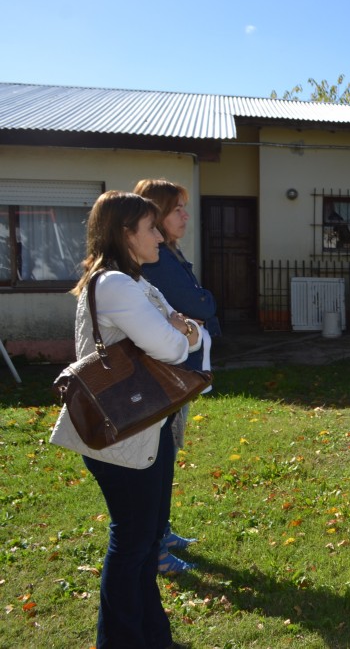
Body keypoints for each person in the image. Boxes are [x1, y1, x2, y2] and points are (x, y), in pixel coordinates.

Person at [49, 191, 201, 648]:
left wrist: (183, 329)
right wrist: (181, 331)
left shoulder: (134, 281)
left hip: (142, 430)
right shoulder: (115, 284)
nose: (159, 235)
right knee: (133, 545)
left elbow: (189, 330)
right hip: (121, 437)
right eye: (150, 228)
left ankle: (151, 636)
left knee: (142, 544)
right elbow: (176, 346)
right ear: (124, 233)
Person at [134, 178, 221, 574]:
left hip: (175, 367)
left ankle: (161, 531)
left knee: (167, 451)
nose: (186, 216)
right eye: (177, 210)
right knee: (159, 453)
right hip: (166, 371)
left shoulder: (167, 252)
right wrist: (201, 308)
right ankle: (155, 545)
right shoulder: (158, 260)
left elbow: (199, 306)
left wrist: (200, 310)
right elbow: (197, 301)